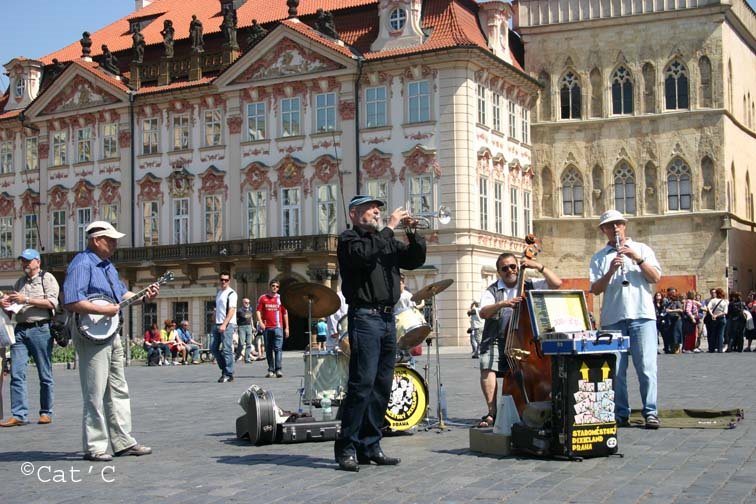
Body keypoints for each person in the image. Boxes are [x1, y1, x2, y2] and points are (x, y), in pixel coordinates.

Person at [333, 195, 426, 472]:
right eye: (371, 208)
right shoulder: (349, 239)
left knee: (382, 385)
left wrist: (412, 233)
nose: (377, 212)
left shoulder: (384, 241)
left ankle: (370, 445)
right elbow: (364, 256)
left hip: (387, 318)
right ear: (354, 213)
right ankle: (346, 447)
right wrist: (391, 226)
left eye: (378, 209)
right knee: (361, 385)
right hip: (364, 317)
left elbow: (414, 259)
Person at [63, 221, 159, 461]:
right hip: (91, 332)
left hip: (111, 331)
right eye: (111, 239)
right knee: (95, 390)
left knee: (118, 387)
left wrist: (143, 297)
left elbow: (121, 296)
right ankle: (95, 445)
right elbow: (72, 300)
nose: (115, 244)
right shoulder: (82, 263)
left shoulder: (108, 266)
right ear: (96, 240)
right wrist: (102, 310)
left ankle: (123, 441)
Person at [589, 210, 662, 429]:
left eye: (618, 224)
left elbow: (655, 277)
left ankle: (650, 411)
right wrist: (610, 271)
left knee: (647, 367)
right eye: (609, 226)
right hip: (613, 318)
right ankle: (621, 412)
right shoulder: (599, 257)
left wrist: (636, 259)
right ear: (604, 230)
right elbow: (595, 289)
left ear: (624, 226)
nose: (614, 229)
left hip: (642, 315)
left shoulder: (642, 249)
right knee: (616, 371)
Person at [477, 251, 561, 428]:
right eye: (504, 268)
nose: (510, 271)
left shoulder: (530, 283)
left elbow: (557, 284)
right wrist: (503, 304)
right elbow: (484, 312)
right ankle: (492, 412)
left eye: (513, 266)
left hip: (524, 338)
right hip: (497, 337)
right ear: (499, 272)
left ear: (518, 267)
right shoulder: (492, 290)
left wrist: (538, 266)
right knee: (486, 365)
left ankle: (533, 405)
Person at [0, 248, 59, 428]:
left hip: (40, 328)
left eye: (28, 260)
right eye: (23, 261)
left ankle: (46, 412)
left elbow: (52, 302)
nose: (25, 264)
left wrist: (26, 299)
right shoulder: (19, 282)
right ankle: (19, 414)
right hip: (20, 329)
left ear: (37, 262)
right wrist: (6, 304)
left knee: (45, 373)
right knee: (17, 373)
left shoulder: (46, 279)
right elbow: (14, 309)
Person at [256, 280, 289, 378]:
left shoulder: (280, 298)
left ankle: (278, 369)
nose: (275, 288)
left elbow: (285, 313)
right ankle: (271, 369)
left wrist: (287, 327)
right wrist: (260, 322)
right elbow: (258, 311)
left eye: (277, 286)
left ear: (279, 288)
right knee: (268, 349)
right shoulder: (263, 298)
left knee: (278, 349)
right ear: (270, 286)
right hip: (267, 327)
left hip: (278, 327)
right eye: (273, 286)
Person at [211, 272, 237, 383]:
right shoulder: (219, 292)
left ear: (229, 281)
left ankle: (228, 373)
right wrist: (214, 316)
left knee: (227, 349)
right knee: (214, 348)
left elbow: (231, 310)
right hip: (217, 323)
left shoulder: (231, 293)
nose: (223, 282)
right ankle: (224, 369)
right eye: (222, 279)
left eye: (226, 280)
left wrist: (224, 324)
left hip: (227, 324)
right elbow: (217, 308)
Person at [707, 288, 728, 353]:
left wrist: (712, 314)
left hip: (714, 318)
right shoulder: (724, 301)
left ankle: (711, 349)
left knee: (713, 333)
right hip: (722, 318)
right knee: (720, 334)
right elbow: (725, 312)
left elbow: (708, 307)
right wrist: (717, 315)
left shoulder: (713, 300)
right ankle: (720, 349)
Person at [236, 297, 256, 363]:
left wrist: (253, 326)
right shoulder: (240, 310)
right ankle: (237, 356)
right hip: (242, 327)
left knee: (249, 343)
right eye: (246, 302)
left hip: (249, 327)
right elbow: (245, 316)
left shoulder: (250, 309)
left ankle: (247, 359)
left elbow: (251, 318)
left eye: (249, 303)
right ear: (243, 303)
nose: (248, 304)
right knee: (241, 344)